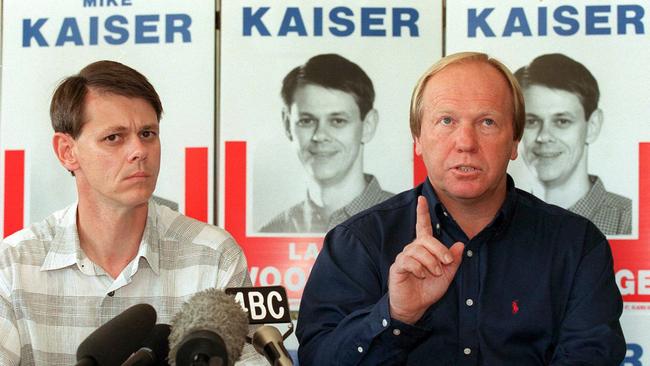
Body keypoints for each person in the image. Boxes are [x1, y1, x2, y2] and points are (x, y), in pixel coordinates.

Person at [296, 52, 625, 365]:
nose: (465, 142)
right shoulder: (358, 241)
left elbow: (590, 356)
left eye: (487, 122)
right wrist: (395, 315)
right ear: (418, 139)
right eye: (446, 120)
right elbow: (316, 359)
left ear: (514, 142)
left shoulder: (576, 245)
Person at [0, 61, 265, 365]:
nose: (139, 150)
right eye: (114, 137)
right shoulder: (14, 265)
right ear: (67, 151)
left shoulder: (214, 256)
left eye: (148, 133)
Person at [259, 53, 393, 233]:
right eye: (307, 121)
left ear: (368, 126)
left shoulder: (412, 223)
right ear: (287, 124)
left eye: (337, 121)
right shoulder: (272, 232)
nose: (320, 135)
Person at [514, 53, 632, 235]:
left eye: (562, 121)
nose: (544, 136)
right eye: (531, 121)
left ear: (592, 126)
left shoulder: (629, 220)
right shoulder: (501, 219)